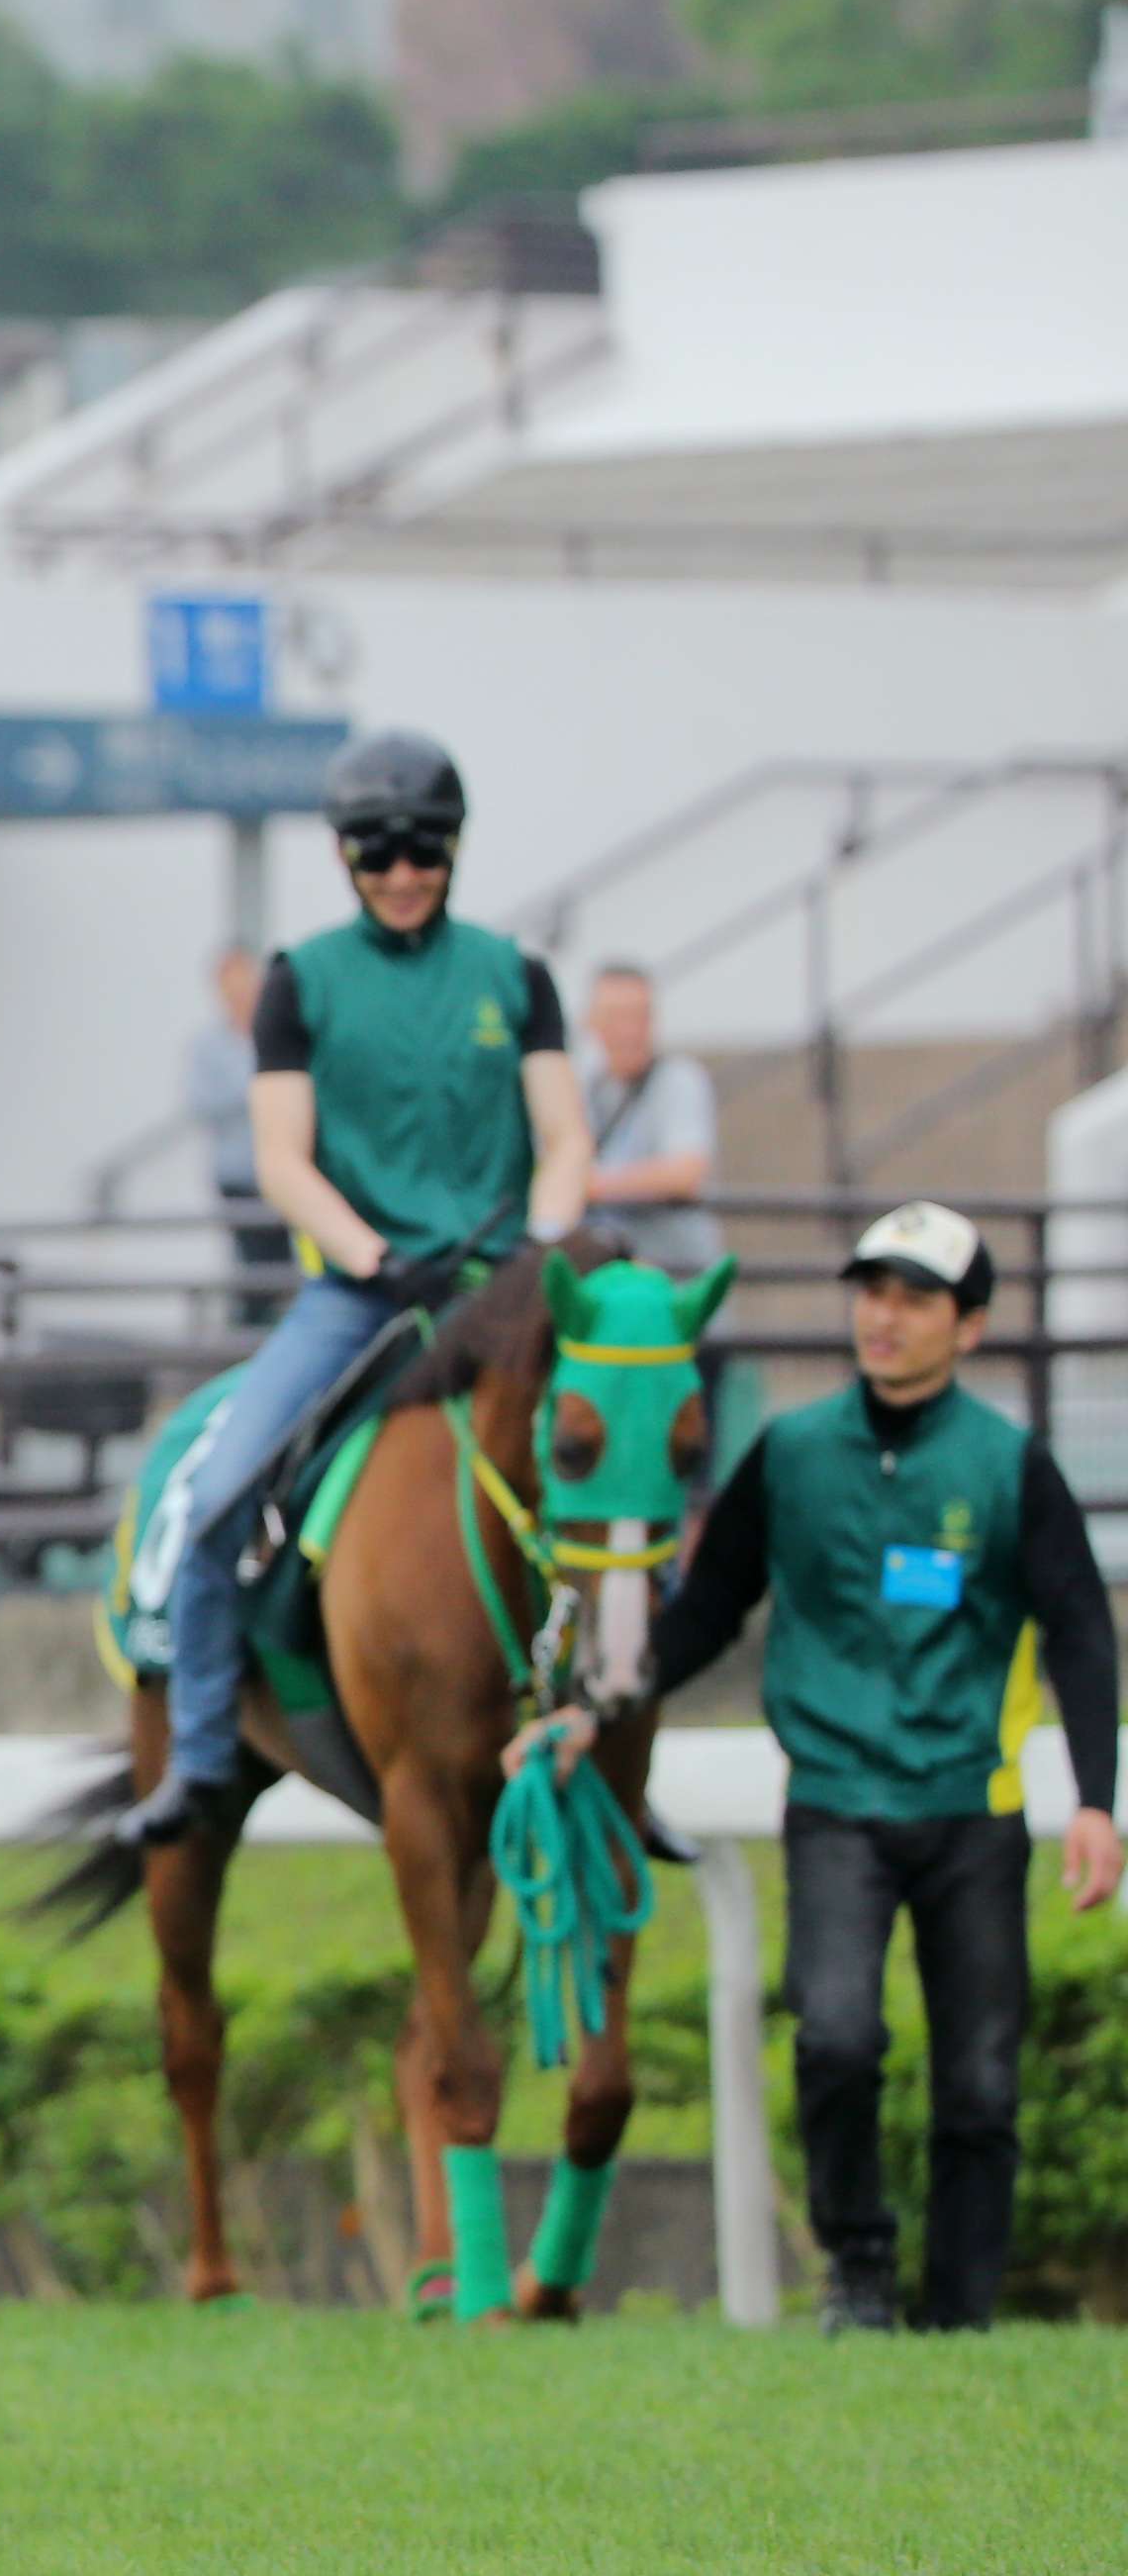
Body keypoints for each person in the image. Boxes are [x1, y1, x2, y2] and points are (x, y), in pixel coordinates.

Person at [516, 1200, 1120, 2333]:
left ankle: (963, 2312)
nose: (882, 1316)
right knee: (837, 2037)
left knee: (981, 2082)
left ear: (971, 1324)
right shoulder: (789, 1453)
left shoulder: (1007, 1465)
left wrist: (1096, 1800)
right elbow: (702, 1612)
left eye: (914, 1296)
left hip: (970, 1805)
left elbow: (1083, 1629)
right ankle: (857, 2270)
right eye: (871, 1290)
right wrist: (598, 1711)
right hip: (836, 1802)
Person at [116, 728, 597, 1847]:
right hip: (361, 1296)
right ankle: (194, 1753)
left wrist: (543, 1241)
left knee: (622, 1479)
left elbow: (565, 1133)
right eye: (377, 852)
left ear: (456, 846)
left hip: (502, 1291)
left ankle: (613, 1739)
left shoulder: (515, 976)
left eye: (423, 849)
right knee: (220, 1492)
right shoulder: (301, 980)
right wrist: (374, 1253)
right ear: (343, 855)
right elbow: (282, 1155)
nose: (402, 872)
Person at [581, 963, 724, 1274]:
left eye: (640, 1016)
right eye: (617, 1017)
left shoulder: (680, 1080)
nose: (630, 1031)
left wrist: (592, 1185)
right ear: (591, 1022)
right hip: (612, 1274)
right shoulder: (584, 1084)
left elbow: (686, 1173)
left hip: (675, 1274)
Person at [187, 943, 289, 1312]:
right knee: (252, 1275)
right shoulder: (207, 1045)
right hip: (240, 1176)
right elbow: (201, 1105)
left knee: (292, 1270)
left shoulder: (278, 1031)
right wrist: (262, 1090)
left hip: (286, 1171)